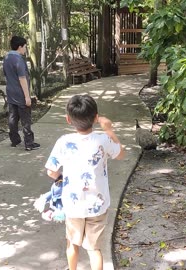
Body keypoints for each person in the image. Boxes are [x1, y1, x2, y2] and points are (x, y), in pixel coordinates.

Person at [44, 94, 124, 270]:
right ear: (96, 118)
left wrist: (61, 178)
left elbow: (51, 171)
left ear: (68, 119)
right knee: (94, 249)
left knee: (72, 243)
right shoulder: (103, 139)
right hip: (98, 204)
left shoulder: (64, 141)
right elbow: (120, 154)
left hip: (73, 205)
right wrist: (109, 130)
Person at [3, 36, 40, 151]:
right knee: (26, 118)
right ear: (20, 47)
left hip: (10, 91)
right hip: (20, 93)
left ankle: (14, 140)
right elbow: (22, 78)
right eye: (25, 46)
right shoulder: (19, 59)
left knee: (13, 117)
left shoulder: (7, 57)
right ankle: (29, 143)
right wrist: (27, 96)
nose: (25, 49)